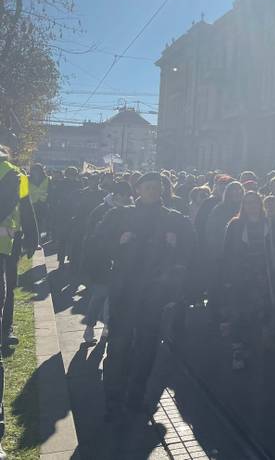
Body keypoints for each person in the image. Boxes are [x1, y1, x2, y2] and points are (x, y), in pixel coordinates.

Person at [97, 172, 194, 421]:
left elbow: (191, 253)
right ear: (137, 190)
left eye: (156, 187)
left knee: (146, 348)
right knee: (118, 345)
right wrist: (117, 242)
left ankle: (135, 397)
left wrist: (177, 248)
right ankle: (112, 398)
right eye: (147, 187)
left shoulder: (175, 220)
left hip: (155, 294)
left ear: (162, 190)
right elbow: (96, 244)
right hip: (125, 292)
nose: (152, 191)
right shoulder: (120, 215)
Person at [0, 145, 38, 454]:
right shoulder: (16, 175)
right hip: (5, 242)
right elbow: (25, 208)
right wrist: (33, 238)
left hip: (5, 240)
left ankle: (5, 330)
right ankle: (5, 331)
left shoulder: (16, 175)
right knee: (6, 290)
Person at [221, 191, 275, 370]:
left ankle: (259, 346)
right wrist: (228, 277)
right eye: (248, 203)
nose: (251, 206)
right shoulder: (235, 225)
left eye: (255, 203)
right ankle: (238, 350)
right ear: (243, 206)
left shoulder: (269, 224)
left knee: (263, 312)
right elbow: (227, 253)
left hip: (264, 276)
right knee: (240, 313)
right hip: (242, 276)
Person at [80, 181, 133, 344]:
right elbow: (92, 238)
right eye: (123, 197)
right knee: (99, 296)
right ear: (115, 196)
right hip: (102, 262)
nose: (126, 200)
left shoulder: (131, 212)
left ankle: (107, 327)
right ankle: (89, 326)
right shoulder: (101, 211)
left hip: (121, 263)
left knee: (113, 298)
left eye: (128, 197)